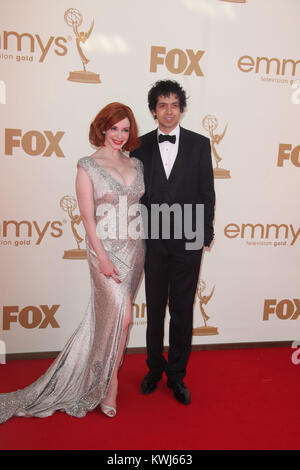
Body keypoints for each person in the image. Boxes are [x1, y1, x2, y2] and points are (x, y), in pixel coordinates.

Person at [0, 102, 144, 423]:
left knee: (118, 322)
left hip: (135, 250)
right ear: (102, 128)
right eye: (114, 128)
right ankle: (111, 385)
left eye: (125, 129)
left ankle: (109, 381)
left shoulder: (137, 163)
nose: (119, 135)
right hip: (103, 251)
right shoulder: (87, 165)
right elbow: (87, 219)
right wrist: (103, 258)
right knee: (121, 318)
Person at [131, 80, 215, 405]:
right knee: (154, 310)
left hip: (188, 239)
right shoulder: (140, 145)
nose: (169, 110)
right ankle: (154, 368)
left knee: (182, 311)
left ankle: (177, 376)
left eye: (174, 104)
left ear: (181, 108)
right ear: (153, 111)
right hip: (152, 241)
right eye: (162, 105)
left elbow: (207, 192)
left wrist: (204, 234)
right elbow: (135, 194)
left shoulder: (199, 144)